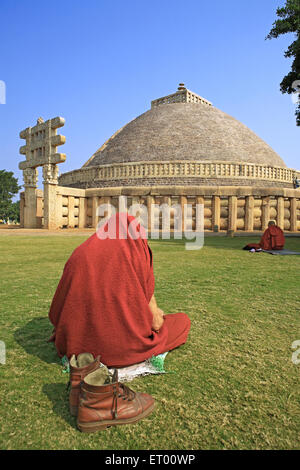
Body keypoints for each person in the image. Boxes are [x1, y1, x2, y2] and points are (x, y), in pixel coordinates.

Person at [48, 212, 191, 368]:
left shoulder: (80, 252)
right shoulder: (135, 254)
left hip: (76, 345)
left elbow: (57, 311)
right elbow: (155, 323)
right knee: (182, 321)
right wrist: (157, 315)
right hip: (121, 348)